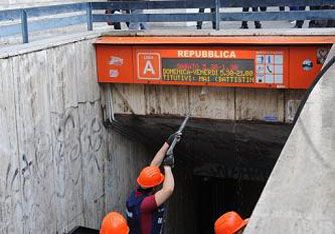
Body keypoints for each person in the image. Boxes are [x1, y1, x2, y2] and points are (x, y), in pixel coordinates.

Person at [126, 133, 180, 234]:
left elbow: (153, 166)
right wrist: (167, 167)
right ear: (154, 186)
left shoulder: (136, 194)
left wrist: (168, 143)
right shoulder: (146, 204)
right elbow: (168, 190)